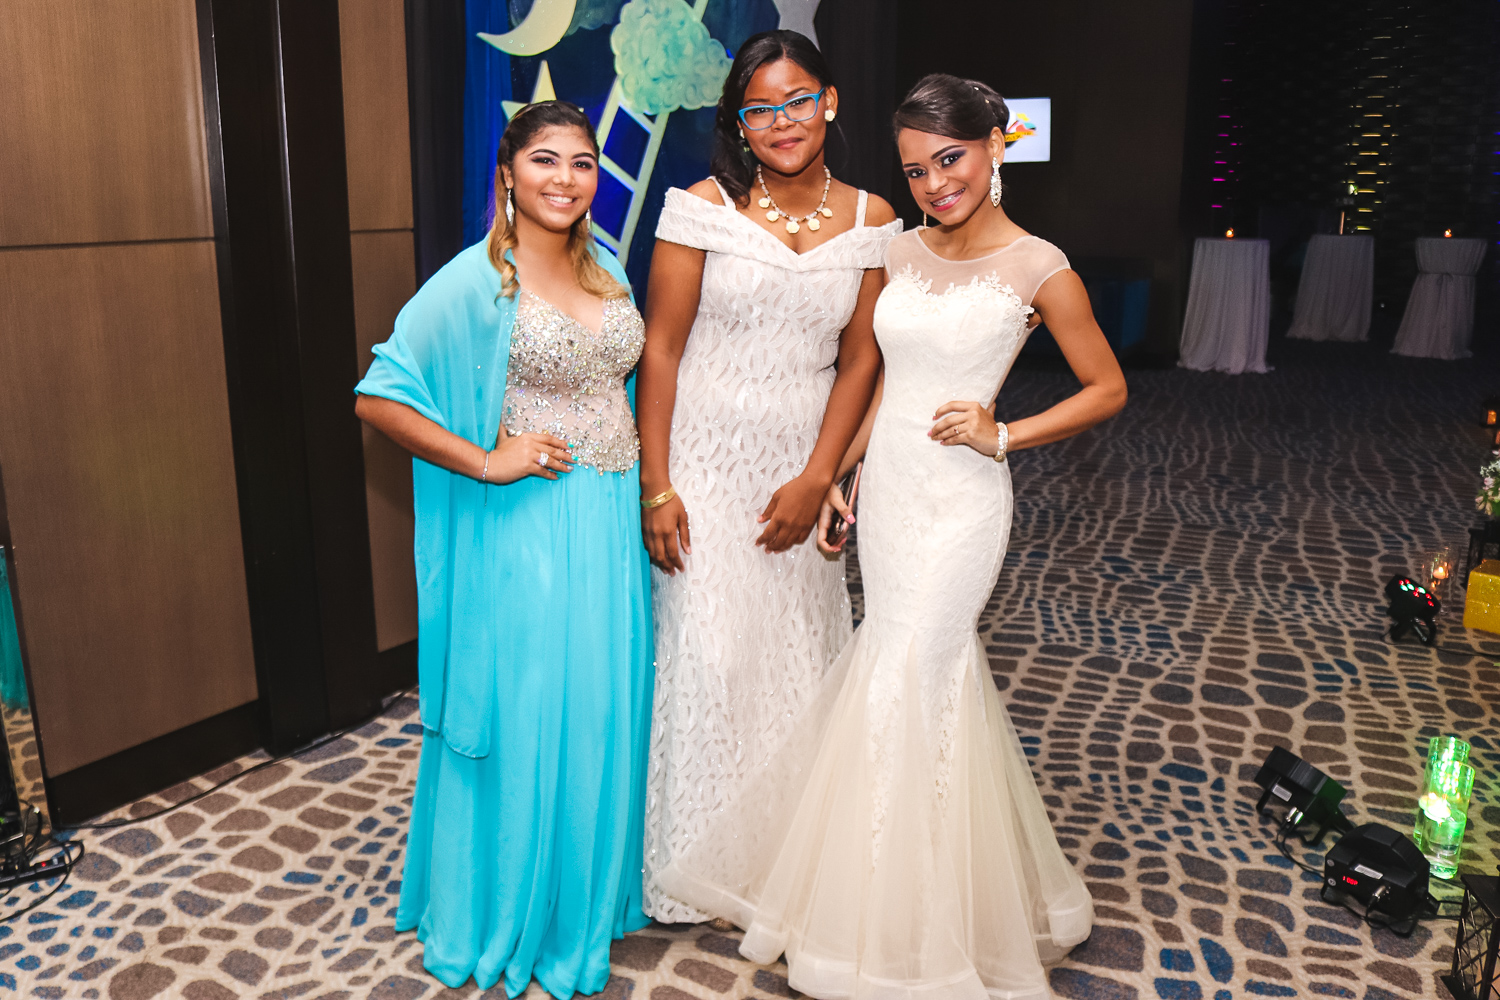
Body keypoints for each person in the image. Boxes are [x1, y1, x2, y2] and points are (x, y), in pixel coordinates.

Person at [659, 74, 1128, 999]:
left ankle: (912, 913)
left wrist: (1004, 433)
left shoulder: (1041, 266)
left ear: (994, 147)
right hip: (893, 495)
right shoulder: (901, 248)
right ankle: (884, 891)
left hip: (961, 503)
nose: (935, 184)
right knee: (899, 673)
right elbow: (882, 382)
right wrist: (844, 473)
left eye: (951, 159)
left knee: (913, 671)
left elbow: (1106, 387)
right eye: (915, 170)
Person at [353, 101, 652, 997]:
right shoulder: (476, 281)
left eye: (583, 162)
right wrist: (486, 460)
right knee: (532, 712)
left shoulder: (607, 268)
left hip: (609, 526)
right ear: (508, 176)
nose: (566, 178)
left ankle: (584, 898)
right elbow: (378, 395)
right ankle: (515, 908)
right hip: (531, 532)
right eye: (545, 160)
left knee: (599, 706)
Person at [634, 29, 901, 923]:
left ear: (830, 102)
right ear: (739, 124)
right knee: (711, 657)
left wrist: (820, 476)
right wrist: (657, 485)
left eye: (797, 101)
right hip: (704, 461)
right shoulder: (697, 209)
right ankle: (695, 866)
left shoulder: (872, 221)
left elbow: (860, 361)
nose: (782, 122)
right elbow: (661, 351)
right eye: (760, 109)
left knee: (792, 656)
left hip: (800, 458)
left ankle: (783, 860)